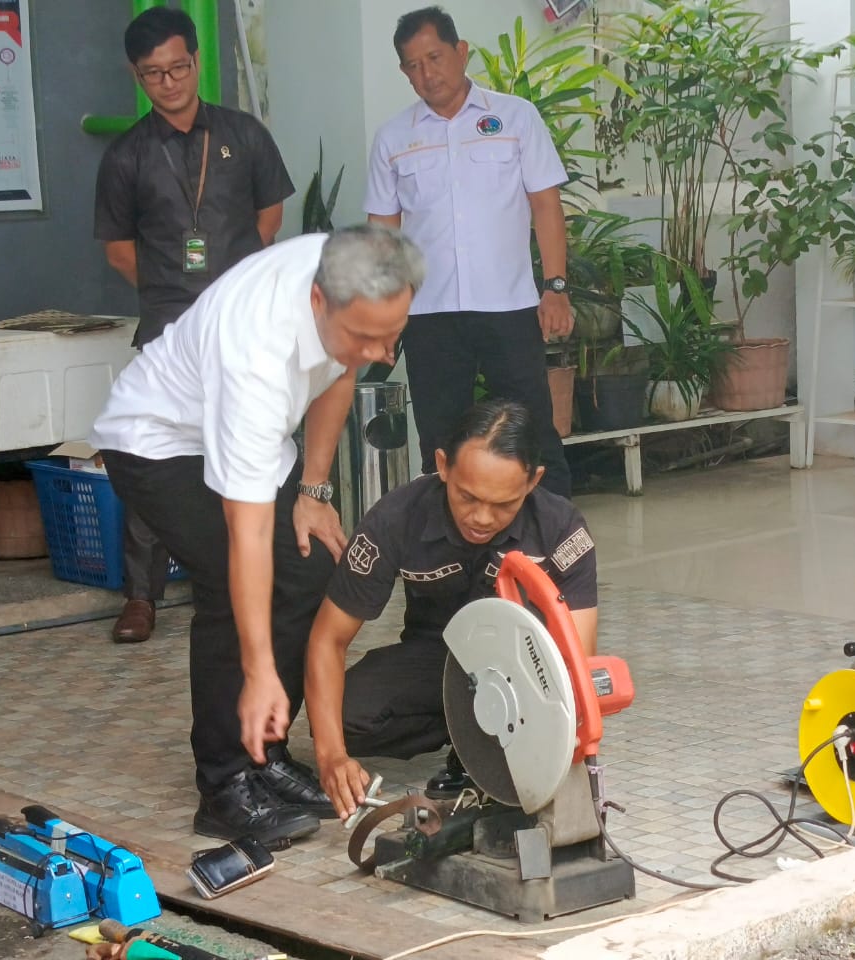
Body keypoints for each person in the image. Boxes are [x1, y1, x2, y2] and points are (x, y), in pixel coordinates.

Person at [90, 225, 425, 843]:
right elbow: (246, 535)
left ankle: (263, 754)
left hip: (251, 439)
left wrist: (314, 492)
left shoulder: (353, 278)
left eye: (393, 334)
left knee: (310, 564)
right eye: (366, 336)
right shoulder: (254, 352)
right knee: (228, 581)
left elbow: (342, 370)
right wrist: (259, 669)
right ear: (318, 301)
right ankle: (223, 784)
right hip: (159, 441)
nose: (382, 353)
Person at [94, 6, 295, 642]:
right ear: (137, 75)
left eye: (179, 67)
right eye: (154, 74)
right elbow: (118, 249)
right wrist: (173, 294)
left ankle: (267, 570)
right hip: (168, 327)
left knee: (251, 439)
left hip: (242, 326)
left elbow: (269, 218)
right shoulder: (126, 155)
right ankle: (141, 596)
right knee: (157, 448)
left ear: (197, 60)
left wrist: (228, 296)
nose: (170, 82)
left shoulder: (243, 133)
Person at [303, 400, 598, 821]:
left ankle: (487, 737)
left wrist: (555, 747)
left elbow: (575, 666)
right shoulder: (395, 519)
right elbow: (327, 639)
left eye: (504, 504)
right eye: (467, 496)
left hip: (525, 673)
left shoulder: (562, 530)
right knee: (345, 715)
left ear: (533, 481)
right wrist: (331, 756)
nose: (482, 518)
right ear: (443, 466)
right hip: (438, 662)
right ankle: (469, 734)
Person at [365, 6, 574, 499]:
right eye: (413, 65)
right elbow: (383, 233)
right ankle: (447, 541)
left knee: (532, 432)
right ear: (403, 71)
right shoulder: (394, 138)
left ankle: (557, 534)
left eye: (435, 58)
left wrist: (556, 287)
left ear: (461, 52)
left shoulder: (516, 117)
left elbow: (546, 206)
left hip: (509, 308)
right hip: (430, 315)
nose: (427, 73)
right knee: (441, 442)